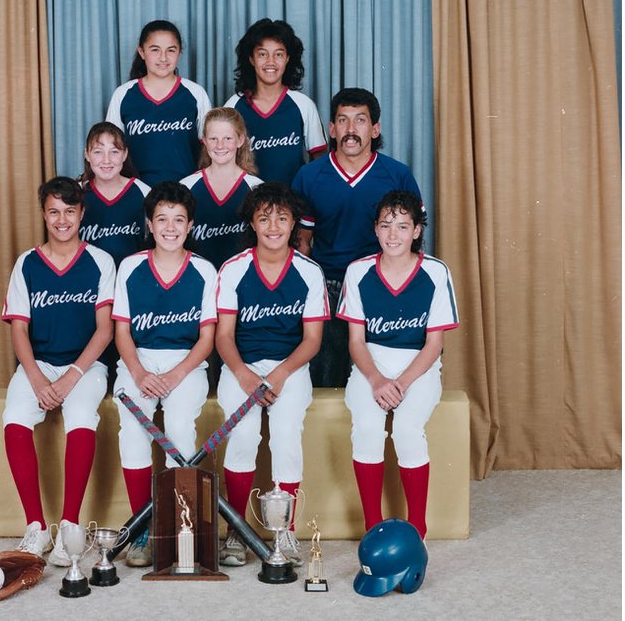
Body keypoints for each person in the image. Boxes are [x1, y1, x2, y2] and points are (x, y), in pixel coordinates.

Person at [0, 176, 116, 567]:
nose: (62, 219)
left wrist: (69, 379)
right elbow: (19, 328)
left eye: (70, 211)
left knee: (81, 417)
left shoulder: (101, 261)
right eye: (53, 211)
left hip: (86, 365)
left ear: (82, 213)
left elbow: (105, 330)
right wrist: (35, 378)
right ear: (44, 214)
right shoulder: (27, 263)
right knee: (14, 418)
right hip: (40, 362)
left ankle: (70, 526)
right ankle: (36, 526)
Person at [214, 182, 327, 568]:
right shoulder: (233, 268)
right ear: (253, 222)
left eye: (282, 217)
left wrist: (279, 374)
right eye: (264, 218)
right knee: (243, 435)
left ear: (294, 221)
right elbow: (224, 335)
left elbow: (312, 340)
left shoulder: (309, 271)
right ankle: (236, 531)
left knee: (284, 435)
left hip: (289, 365)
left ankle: (285, 531)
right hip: (241, 365)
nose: (274, 226)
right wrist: (244, 374)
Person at [338, 191, 458, 541]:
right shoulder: (358, 271)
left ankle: (416, 528)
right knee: (366, 430)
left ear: (417, 231)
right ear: (375, 230)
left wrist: (401, 384)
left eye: (403, 226)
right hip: (370, 364)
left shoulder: (435, 272)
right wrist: (376, 380)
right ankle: (373, 527)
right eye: (386, 225)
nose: (394, 234)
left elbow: (434, 344)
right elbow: (356, 341)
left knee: (407, 431)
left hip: (417, 367)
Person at [110, 182, 218, 567]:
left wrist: (176, 374)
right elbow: (121, 331)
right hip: (137, 360)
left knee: (180, 430)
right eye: (162, 219)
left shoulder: (205, 270)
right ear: (150, 225)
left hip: (186, 363)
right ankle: (141, 531)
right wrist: (137, 372)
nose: (170, 227)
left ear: (189, 226)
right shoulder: (131, 267)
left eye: (178, 220)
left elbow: (207, 338)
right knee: (132, 432)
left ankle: (177, 529)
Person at [291, 87, 422, 388]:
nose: (351, 130)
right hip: (329, 287)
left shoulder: (397, 175)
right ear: (332, 129)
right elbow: (302, 243)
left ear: (375, 129)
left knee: (377, 380)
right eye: (343, 120)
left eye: (360, 120)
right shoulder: (309, 176)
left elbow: (412, 240)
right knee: (324, 380)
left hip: (379, 286)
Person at [107, 20, 213, 187]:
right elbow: (110, 151)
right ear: (141, 52)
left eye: (171, 50)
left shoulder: (195, 93)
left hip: (186, 194)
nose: (163, 58)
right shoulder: (123, 94)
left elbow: (210, 150)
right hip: (137, 193)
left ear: (180, 52)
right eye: (155, 50)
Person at [225, 18, 327, 186]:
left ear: (288, 58)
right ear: (251, 59)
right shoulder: (233, 106)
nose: (270, 61)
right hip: (246, 203)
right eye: (262, 54)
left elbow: (320, 159)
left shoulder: (303, 105)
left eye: (278, 54)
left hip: (292, 204)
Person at [179, 107, 264, 271]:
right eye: (213, 138)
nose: (220, 145)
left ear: (240, 140)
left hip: (242, 282)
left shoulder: (256, 188)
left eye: (227, 138)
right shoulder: (186, 187)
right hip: (197, 282)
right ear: (203, 140)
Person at [77, 121, 152, 267]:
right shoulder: (76, 194)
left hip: (133, 279)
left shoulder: (144, 193)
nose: (106, 160)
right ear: (87, 154)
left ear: (125, 154)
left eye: (114, 152)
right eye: (98, 152)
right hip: (88, 281)